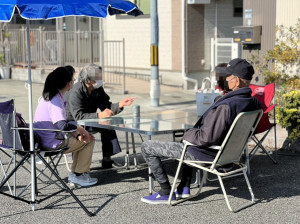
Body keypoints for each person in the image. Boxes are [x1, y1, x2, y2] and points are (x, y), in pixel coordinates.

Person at [141, 58, 262, 204]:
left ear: (236, 80)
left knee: (147, 147)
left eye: (227, 77)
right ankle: (184, 187)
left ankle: (166, 192)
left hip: (207, 154)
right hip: (229, 155)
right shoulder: (254, 103)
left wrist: (188, 133)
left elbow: (205, 138)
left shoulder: (226, 106)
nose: (225, 80)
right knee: (189, 138)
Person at [34, 66, 98, 187]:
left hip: (43, 140)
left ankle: (76, 174)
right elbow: (62, 125)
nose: (74, 81)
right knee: (89, 141)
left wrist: (78, 134)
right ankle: (78, 175)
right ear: (69, 83)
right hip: (51, 143)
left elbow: (58, 125)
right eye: (73, 79)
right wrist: (80, 130)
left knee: (83, 139)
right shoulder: (55, 100)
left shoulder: (48, 96)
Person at [65, 64, 136, 169]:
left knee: (107, 125)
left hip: (90, 120)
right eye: (97, 76)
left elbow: (106, 106)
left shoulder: (97, 89)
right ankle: (79, 165)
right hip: (73, 124)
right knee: (98, 122)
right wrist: (99, 115)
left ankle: (107, 159)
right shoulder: (76, 91)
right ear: (88, 79)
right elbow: (78, 116)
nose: (100, 79)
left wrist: (120, 104)